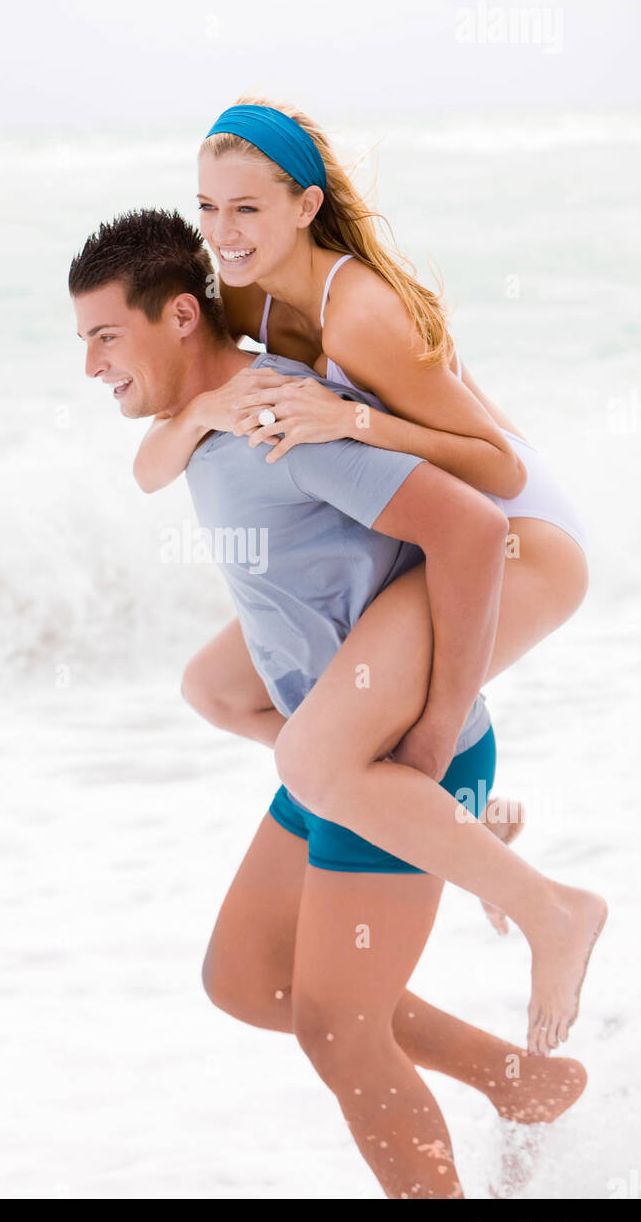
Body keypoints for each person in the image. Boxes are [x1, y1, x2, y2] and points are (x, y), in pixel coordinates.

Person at [69, 208, 595, 1199]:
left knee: (337, 1030)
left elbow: (473, 529)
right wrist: (186, 419)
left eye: (105, 336)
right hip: (342, 754)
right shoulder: (206, 425)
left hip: (391, 753)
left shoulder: (279, 420)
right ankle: (513, 1076)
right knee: (243, 976)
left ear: (179, 315)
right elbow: (147, 468)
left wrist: (434, 749)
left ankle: (524, 894)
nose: (92, 365)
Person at [128, 100, 605, 1055]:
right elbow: (150, 467)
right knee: (215, 689)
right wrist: (203, 413)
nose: (223, 233)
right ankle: (444, 819)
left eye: (248, 210)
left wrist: (352, 426)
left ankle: (556, 912)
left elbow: (497, 469)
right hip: (435, 536)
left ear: (306, 206)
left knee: (321, 758)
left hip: (518, 542)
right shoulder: (241, 298)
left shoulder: (364, 311)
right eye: (208, 208)